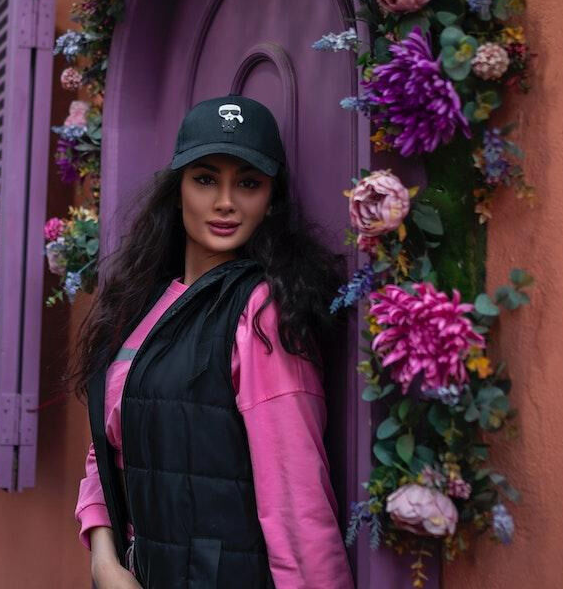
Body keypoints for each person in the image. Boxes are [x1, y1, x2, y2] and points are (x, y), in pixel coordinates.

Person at [69, 94, 354, 588]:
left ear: (270, 201)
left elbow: (295, 501)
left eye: (248, 183)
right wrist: (104, 559)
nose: (225, 201)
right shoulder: (144, 304)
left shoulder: (261, 311)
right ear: (177, 190)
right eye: (205, 180)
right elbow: (109, 449)